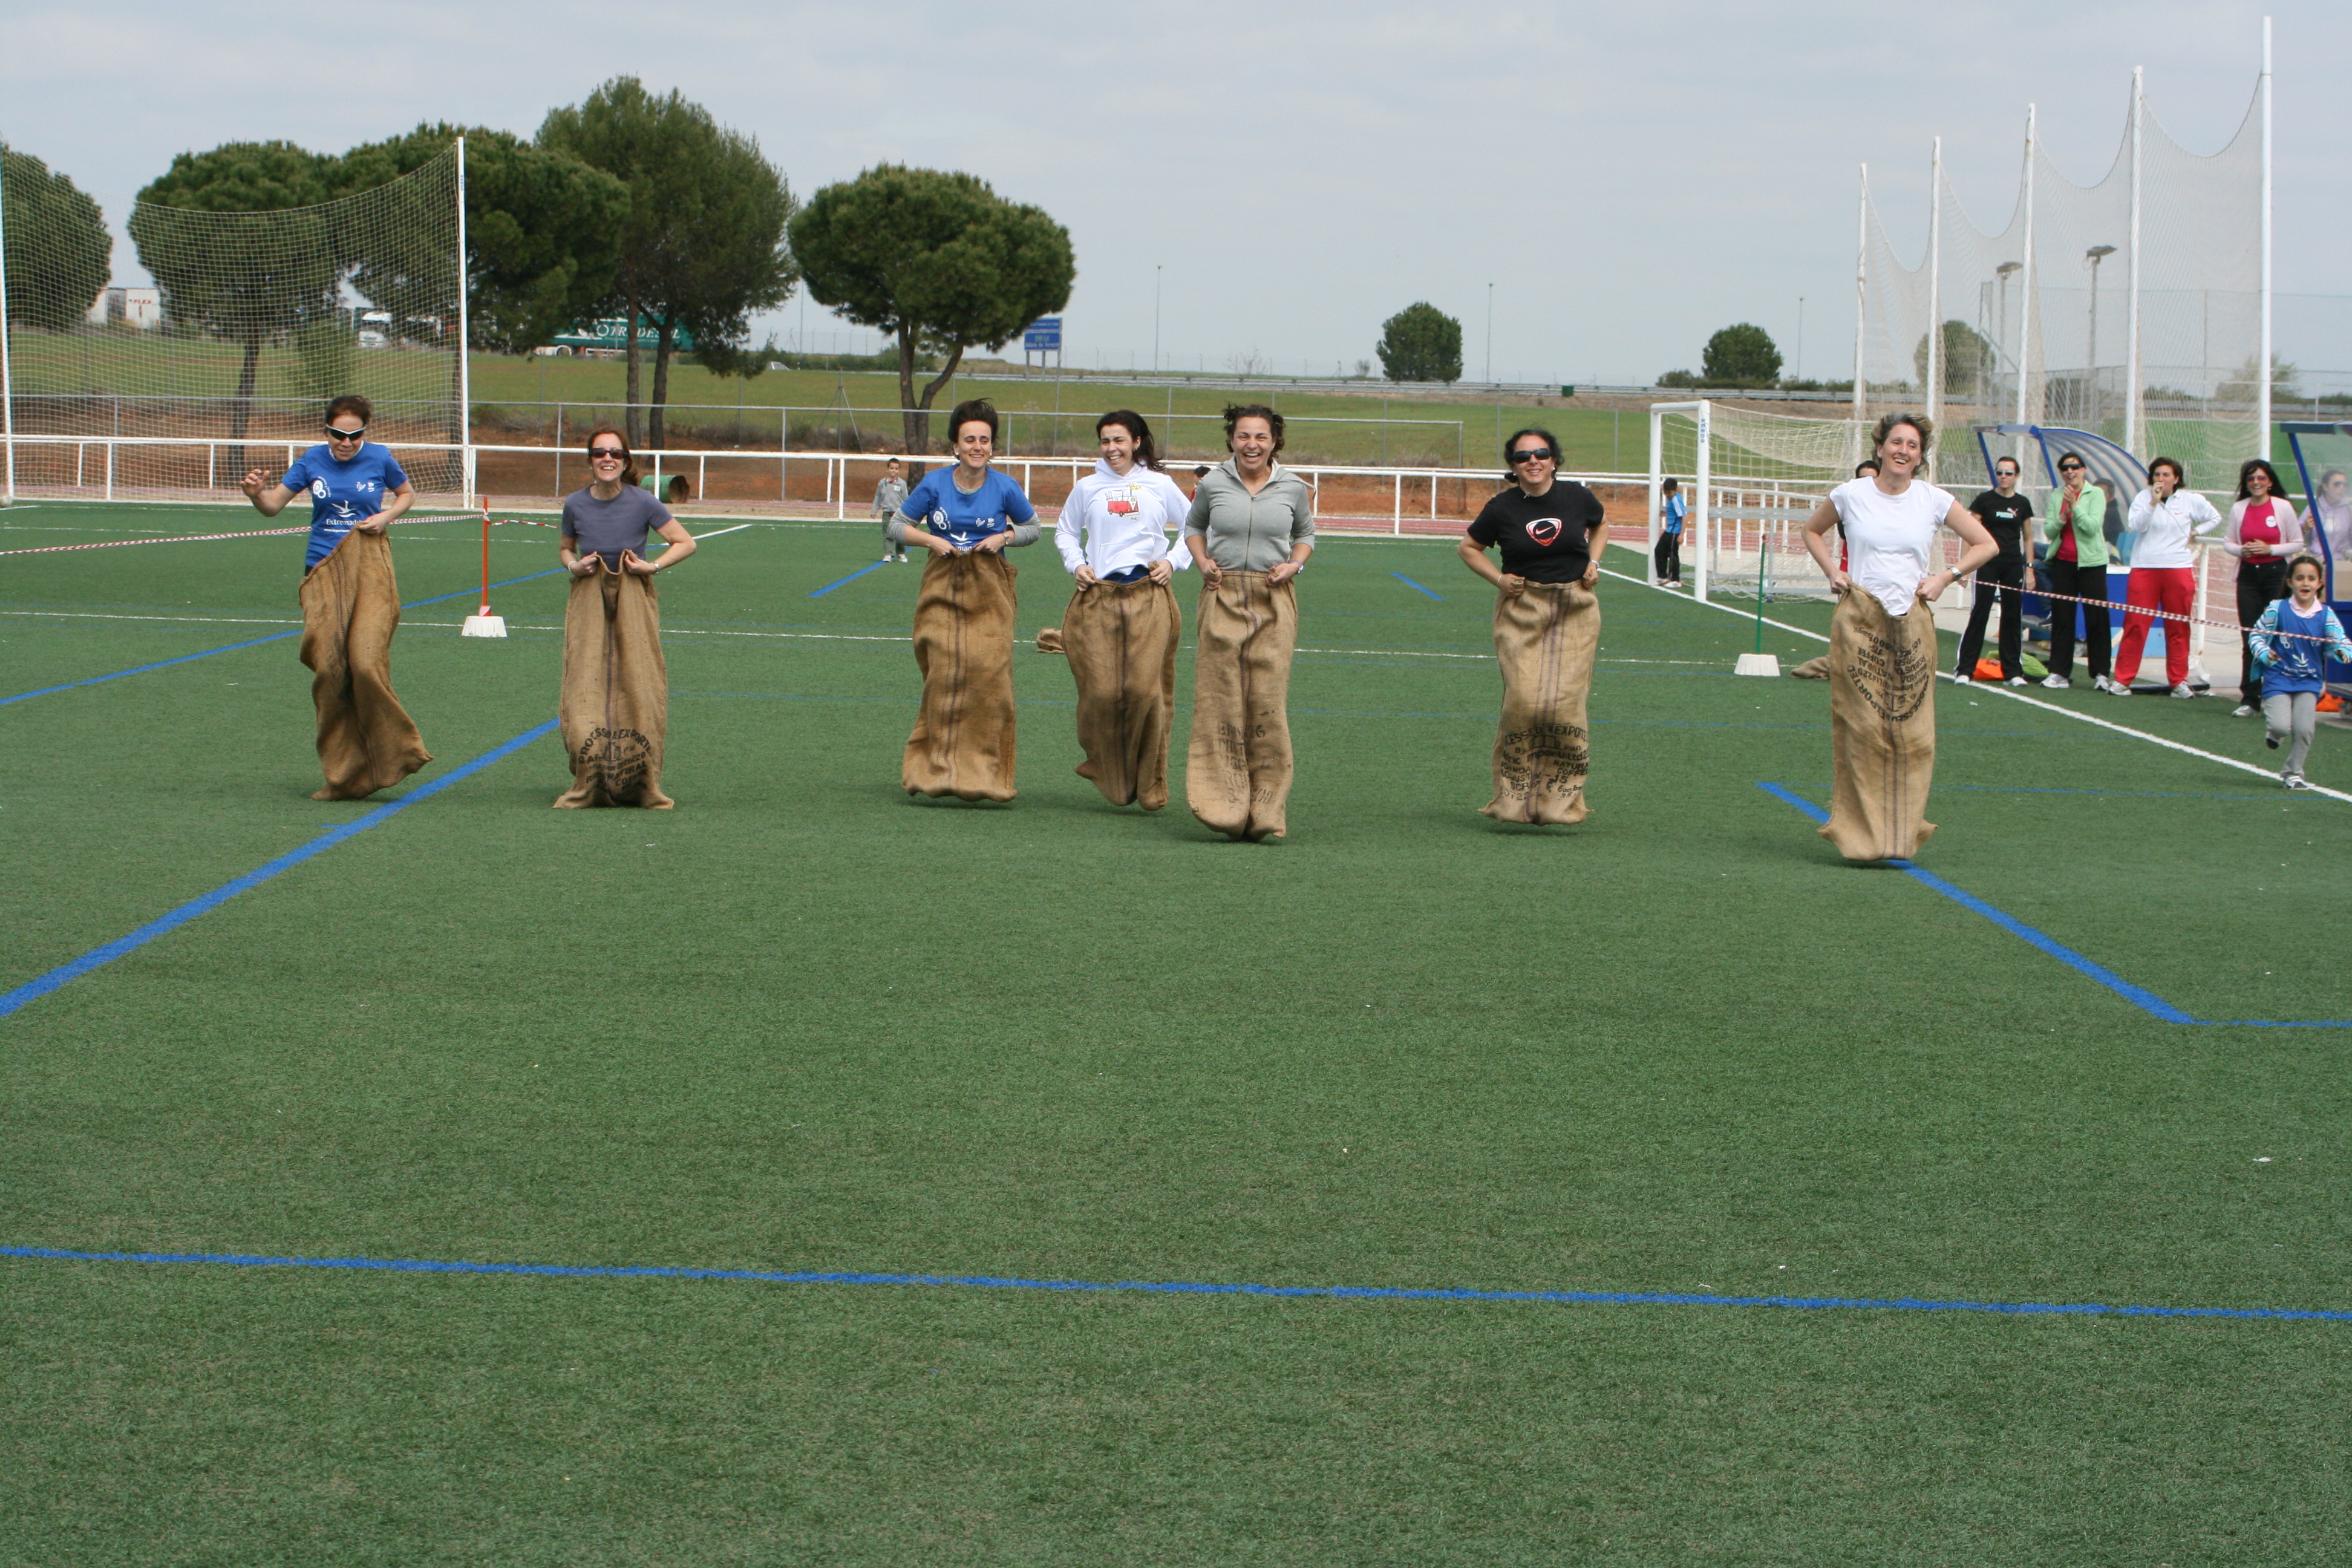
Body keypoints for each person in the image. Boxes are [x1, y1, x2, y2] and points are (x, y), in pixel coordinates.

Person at [1800, 413, 1998, 862]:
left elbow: (1986, 544)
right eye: (1896, 442)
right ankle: (1861, 837)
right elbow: (1811, 530)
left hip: (1912, 623)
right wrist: (1833, 571)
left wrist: (1946, 576)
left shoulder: (1933, 500)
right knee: (1865, 730)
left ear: (1920, 455)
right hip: (1861, 622)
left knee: (1913, 737)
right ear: (1880, 447)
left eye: (1912, 445)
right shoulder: (1851, 494)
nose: (1903, 451)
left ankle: (1900, 836)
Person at [238, 394, 432, 800]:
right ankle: (343, 777)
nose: (346, 443)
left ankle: (395, 754)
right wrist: (256, 493)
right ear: (325, 431)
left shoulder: (380, 458)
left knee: (364, 664)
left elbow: (407, 494)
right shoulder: (311, 460)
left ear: (365, 432)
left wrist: (385, 517)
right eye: (338, 434)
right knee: (330, 671)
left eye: (355, 435)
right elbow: (272, 506)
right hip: (323, 569)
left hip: (369, 567)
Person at [889, 398, 1041, 801]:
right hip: (942, 580)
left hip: (989, 584)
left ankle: (985, 775)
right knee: (943, 676)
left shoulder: (1005, 487)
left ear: (992, 447)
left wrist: (1004, 537)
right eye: (969, 439)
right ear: (955, 446)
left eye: (984, 440)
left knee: (989, 675)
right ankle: (934, 770)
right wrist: (931, 541)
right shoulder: (934, 483)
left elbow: (1033, 528)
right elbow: (897, 526)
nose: (977, 446)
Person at [1460, 428, 1609, 824]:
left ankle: (1560, 802)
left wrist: (1594, 563)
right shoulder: (1501, 508)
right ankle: (1514, 801)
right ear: (1513, 466)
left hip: (1575, 607)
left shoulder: (1577, 496)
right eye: (1523, 456)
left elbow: (1601, 525)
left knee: (1565, 706)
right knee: (1524, 702)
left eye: (1541, 453)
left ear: (1554, 460)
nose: (1533, 461)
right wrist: (1499, 579)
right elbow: (1468, 548)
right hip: (1523, 609)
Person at [1183, 403, 1315, 841]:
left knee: (1266, 700)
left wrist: (1294, 565)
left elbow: (1305, 534)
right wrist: (1202, 561)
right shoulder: (1213, 483)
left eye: (1261, 436)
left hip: (1274, 596)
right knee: (1220, 698)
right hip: (1222, 593)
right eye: (1243, 436)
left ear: (1275, 441)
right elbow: (1193, 527)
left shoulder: (1293, 487)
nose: (1252, 444)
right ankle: (1223, 804)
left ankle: (1265, 809)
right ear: (1231, 439)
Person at [1054, 411, 1195, 809]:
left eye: (1119, 440)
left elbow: (1196, 526)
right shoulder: (1087, 487)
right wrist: (1076, 564)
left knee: (1145, 693)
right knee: (1101, 693)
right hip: (1099, 595)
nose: (1111, 448)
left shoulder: (1160, 484)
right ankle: (1106, 766)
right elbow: (1065, 531)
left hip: (1149, 593)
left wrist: (1173, 561)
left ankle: (1150, 778)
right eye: (1105, 441)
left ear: (1136, 442)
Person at [554, 425, 697, 808]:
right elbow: (566, 549)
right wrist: (574, 566)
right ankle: (591, 776)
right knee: (584, 684)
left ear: (625, 460)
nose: (608, 459)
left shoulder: (643, 501)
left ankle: (639, 780)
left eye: (615, 453)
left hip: (633, 598)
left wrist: (653, 566)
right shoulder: (575, 504)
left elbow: (685, 543)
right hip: (589, 597)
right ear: (590, 460)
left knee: (638, 683)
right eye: (600, 453)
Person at [2115, 456, 2224, 698]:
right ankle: (2122, 679)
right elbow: (2136, 526)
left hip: (2177, 568)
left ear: (2176, 478)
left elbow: (2215, 518)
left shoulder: (2190, 500)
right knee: (2136, 624)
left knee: (2178, 626)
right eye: (2157, 475)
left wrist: (2196, 532)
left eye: (2166, 475)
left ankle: (2178, 681)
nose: (2161, 479)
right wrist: (2153, 503)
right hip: (2145, 568)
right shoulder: (2143, 498)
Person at [2246, 553, 2352, 789]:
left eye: (2311, 579)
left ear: (2320, 584)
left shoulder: (2327, 615)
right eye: (2300, 578)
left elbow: (2342, 641)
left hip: (2309, 681)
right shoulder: (2277, 609)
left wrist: (2343, 652)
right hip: (2278, 679)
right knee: (2280, 726)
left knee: (2305, 729)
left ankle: (2293, 773)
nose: (2306, 583)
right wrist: (2264, 653)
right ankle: (2275, 734)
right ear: (2290, 582)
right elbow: (2256, 636)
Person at [2224, 458, 2307, 715]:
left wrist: (2270, 549)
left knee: (2280, 636)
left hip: (2276, 575)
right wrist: (2242, 550)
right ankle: (2250, 699)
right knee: (2251, 636)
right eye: (2251, 479)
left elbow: (2297, 543)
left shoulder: (2282, 507)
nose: (2256, 482)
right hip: (2248, 576)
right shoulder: (2239, 508)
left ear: (2270, 481)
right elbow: (2228, 542)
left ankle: (2280, 695)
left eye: (2261, 478)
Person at [2037, 452, 2118, 692]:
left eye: (2074, 467)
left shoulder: (2096, 494)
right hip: (2064, 563)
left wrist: (2076, 507)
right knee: (2062, 617)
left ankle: (2101, 673)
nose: (2070, 472)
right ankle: (2059, 672)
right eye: (2065, 468)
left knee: (2097, 618)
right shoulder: (2057, 495)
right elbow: (2049, 531)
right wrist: (2063, 516)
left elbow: (2092, 527)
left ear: (2083, 470)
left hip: (2092, 564)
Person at [1950, 456, 2034, 686]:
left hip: (2013, 565)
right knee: (1980, 613)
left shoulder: (2022, 503)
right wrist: (1965, 568)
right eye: (2000, 473)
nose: (2003, 477)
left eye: (2009, 473)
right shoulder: (1984, 501)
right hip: (1986, 564)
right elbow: (1968, 533)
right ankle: (1965, 670)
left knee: (2012, 616)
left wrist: (2029, 568)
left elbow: (2028, 538)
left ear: (2017, 476)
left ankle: (2013, 672)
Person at [873, 457, 910, 563]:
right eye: (892, 468)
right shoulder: (882, 483)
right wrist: (874, 510)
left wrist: (908, 512)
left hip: (899, 513)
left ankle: (901, 553)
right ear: (888, 469)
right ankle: (888, 554)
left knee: (900, 534)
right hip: (887, 512)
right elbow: (878, 497)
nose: (894, 471)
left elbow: (906, 498)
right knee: (888, 533)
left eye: (896, 469)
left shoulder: (902, 484)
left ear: (899, 470)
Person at [1654, 475, 1685, 587]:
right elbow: (1674, 513)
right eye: (1665, 493)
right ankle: (1663, 577)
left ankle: (1675, 580)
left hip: (1675, 532)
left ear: (1675, 490)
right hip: (1669, 530)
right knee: (1659, 550)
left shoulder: (1676, 500)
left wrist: (1681, 534)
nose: (1667, 495)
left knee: (1673, 554)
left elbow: (1684, 516)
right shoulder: (1671, 499)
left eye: (1669, 493)